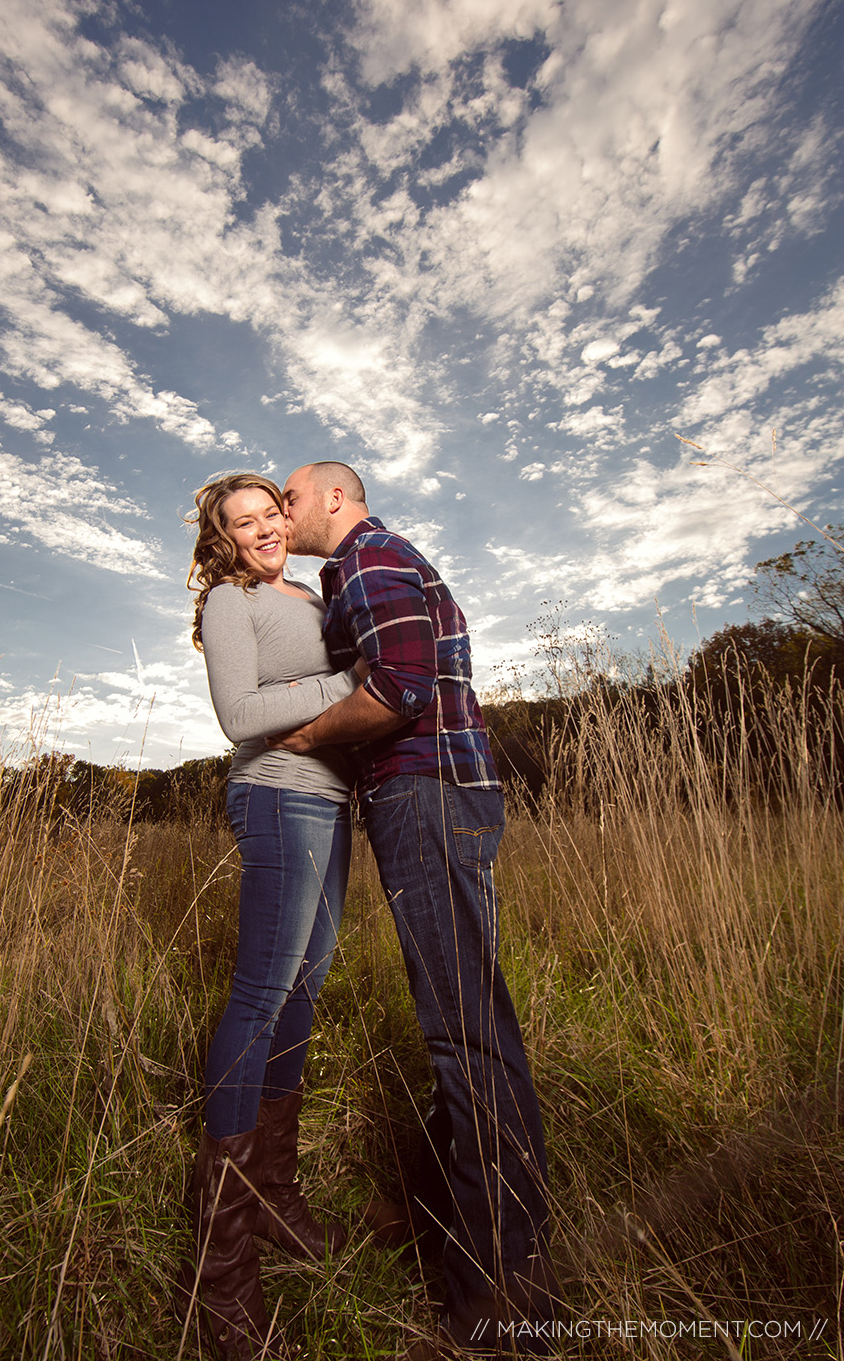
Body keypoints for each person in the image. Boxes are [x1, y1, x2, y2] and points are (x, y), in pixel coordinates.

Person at [271, 462, 558, 1358]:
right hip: (441, 796)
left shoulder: (367, 558)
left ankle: (504, 1308)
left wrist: (306, 737)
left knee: (467, 1038)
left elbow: (400, 688)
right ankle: (434, 1215)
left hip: (425, 795)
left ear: (334, 498)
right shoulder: (362, 567)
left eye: (290, 496)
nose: (282, 510)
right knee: (467, 1019)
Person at [186, 472, 359, 1360]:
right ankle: (222, 1269)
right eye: (241, 521)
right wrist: (346, 689)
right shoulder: (230, 600)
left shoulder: (318, 590)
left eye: (269, 514)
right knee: (261, 995)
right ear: (223, 538)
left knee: (302, 995)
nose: (261, 530)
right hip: (278, 796)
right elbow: (239, 716)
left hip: (332, 803)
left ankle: (277, 1199)